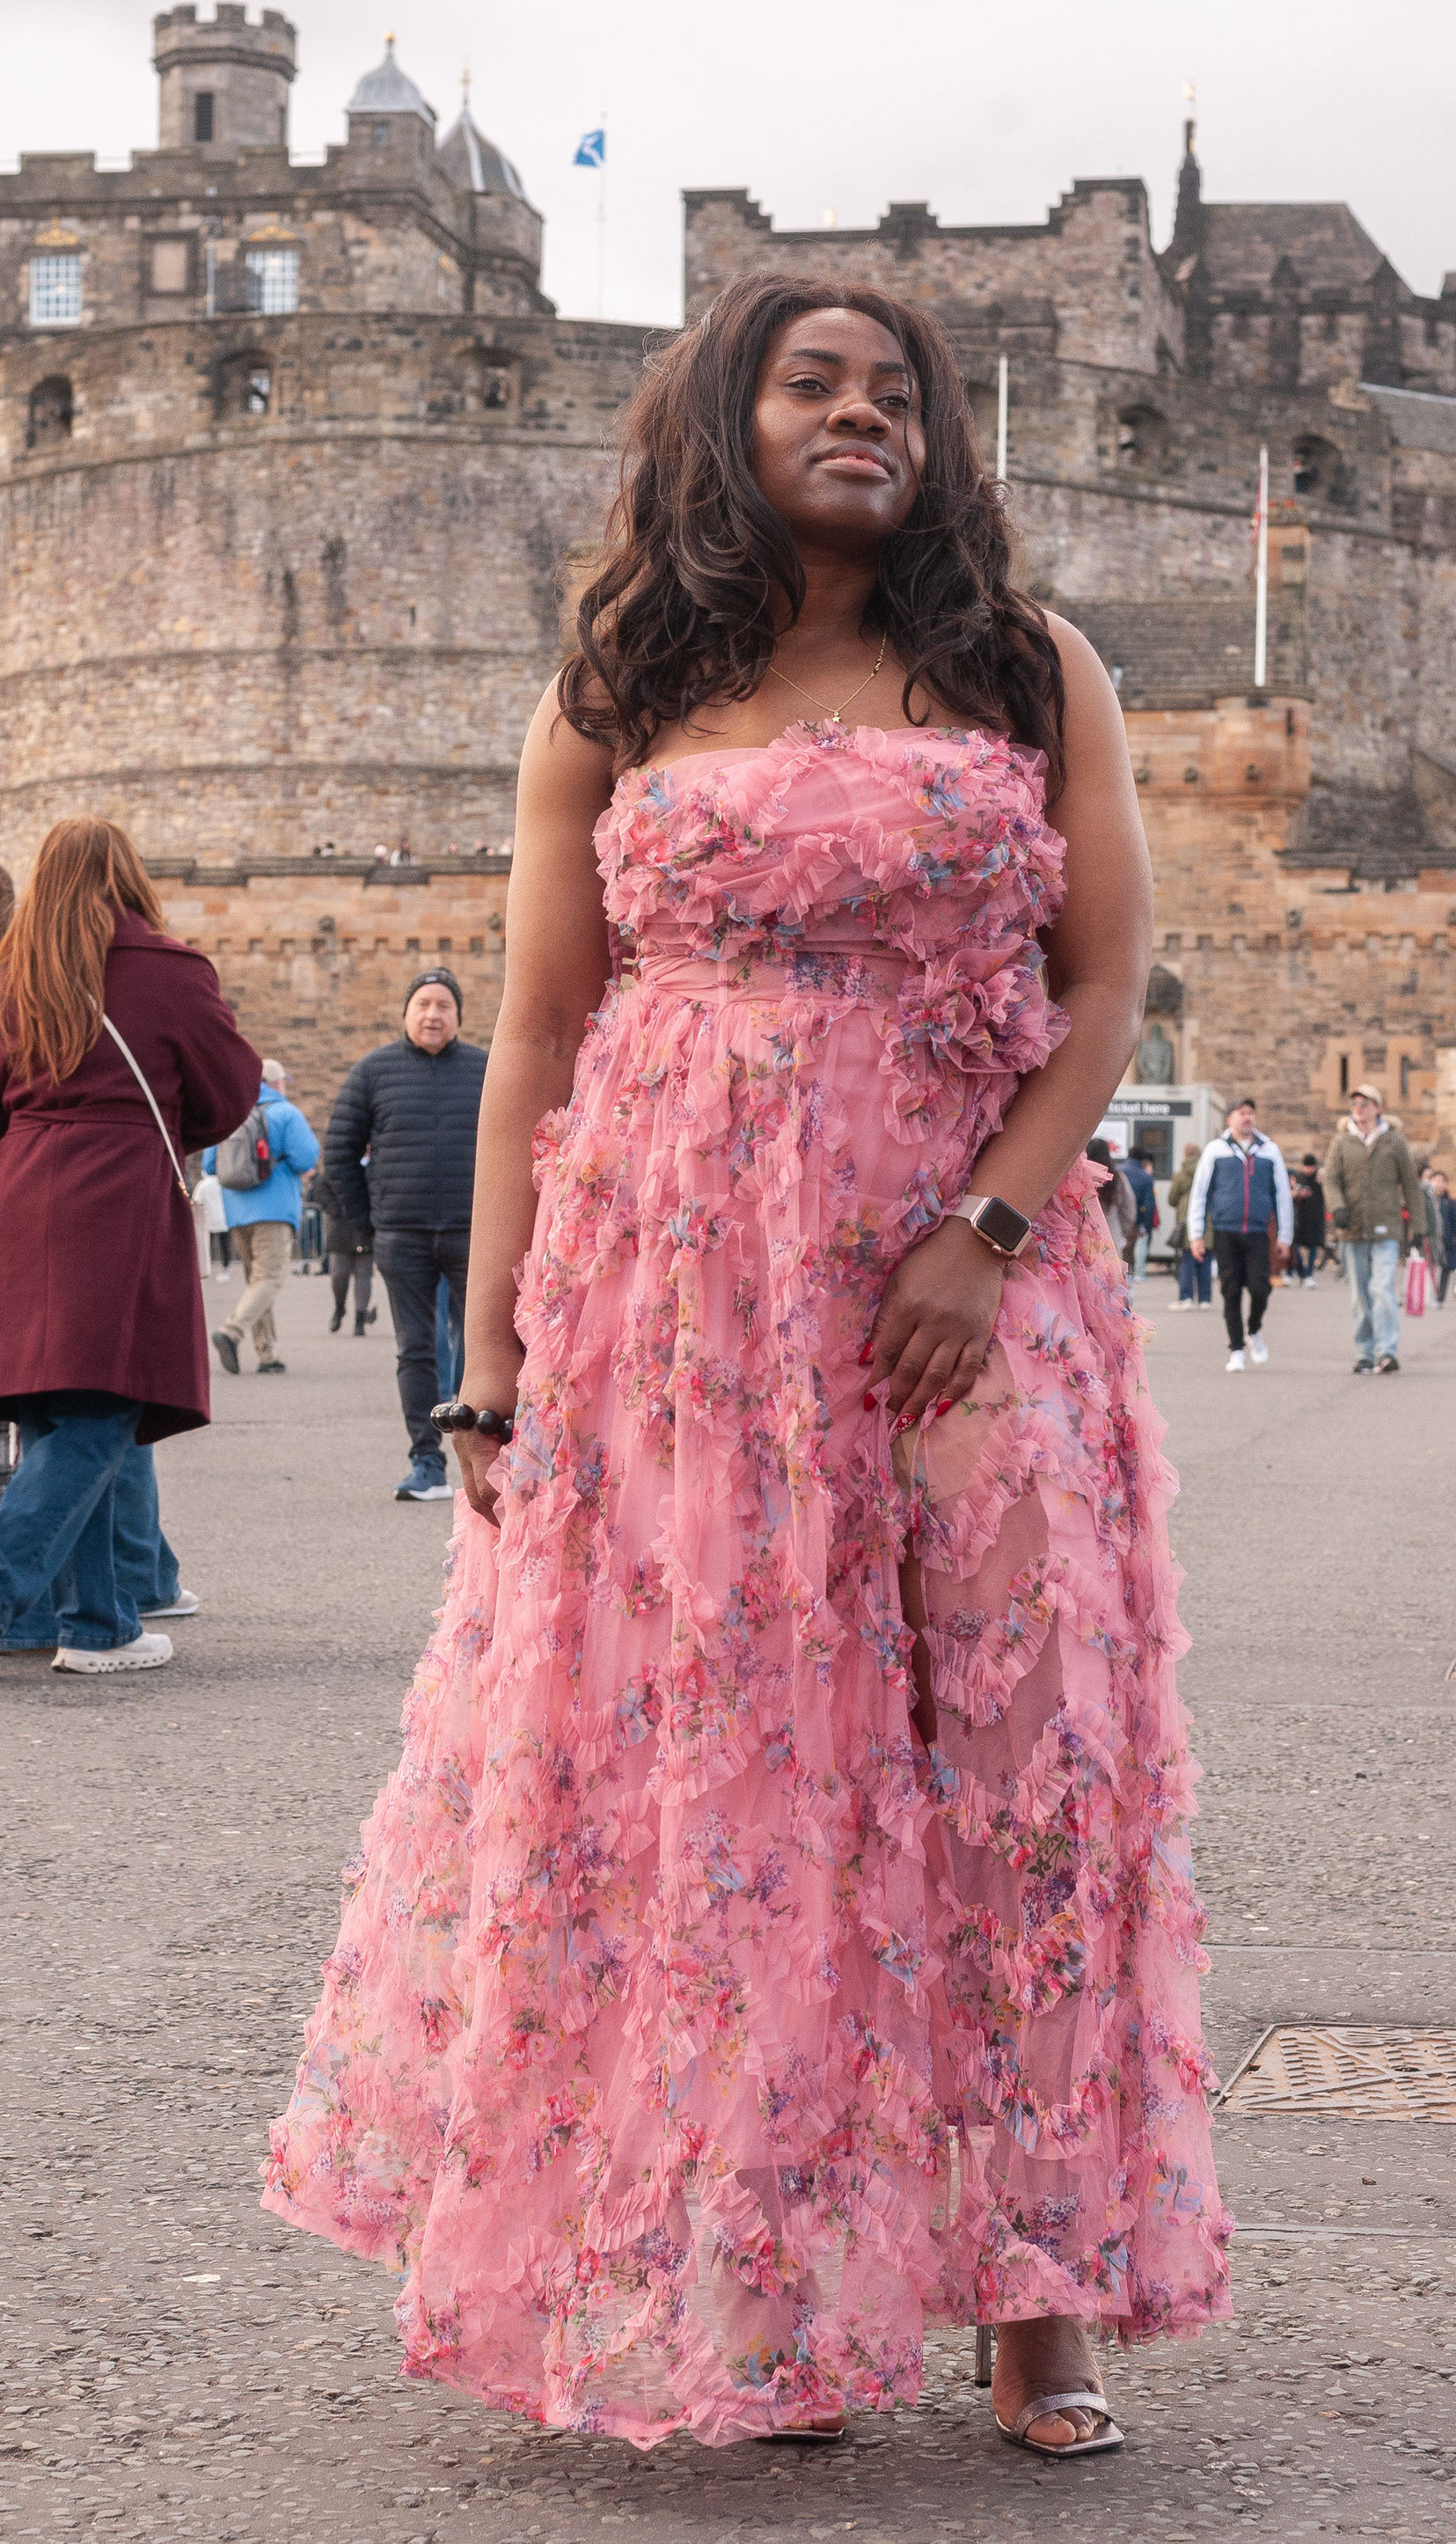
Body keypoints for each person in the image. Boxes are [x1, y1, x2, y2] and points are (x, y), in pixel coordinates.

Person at [265, 276, 1229, 2456]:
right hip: (680, 1309)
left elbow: (1104, 989)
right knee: (727, 1783)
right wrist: (491, 1359)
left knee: (1022, 1760)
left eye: (898, 394)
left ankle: (1040, 2290)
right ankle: (770, 2278)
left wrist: (986, 1234)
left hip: (972, 1290)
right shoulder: (617, 684)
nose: (862, 415)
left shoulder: (1028, 666)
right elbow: (538, 1030)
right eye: (813, 383)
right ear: (728, 415)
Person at [0, 818, 259, 1671]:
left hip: (21, 1188)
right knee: (106, 1405)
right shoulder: (168, 968)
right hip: (114, 1197)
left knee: (54, 1408)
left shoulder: (13, 970)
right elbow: (230, 1086)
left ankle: (97, 1622)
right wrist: (163, 1127)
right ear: (126, 875)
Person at [321, 968, 487, 1501]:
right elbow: (338, 1153)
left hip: (474, 1234)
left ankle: (484, 1462)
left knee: (483, 1347)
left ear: (458, 1016)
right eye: (423, 1004)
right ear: (406, 1012)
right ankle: (427, 1462)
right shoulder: (373, 1071)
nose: (433, 1014)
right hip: (401, 1236)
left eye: (444, 1005)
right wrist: (369, 1223)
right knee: (416, 1349)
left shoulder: (486, 1069)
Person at [205, 1059, 318, 1376]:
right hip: (275, 1209)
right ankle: (230, 1332)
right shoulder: (285, 1113)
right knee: (269, 1279)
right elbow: (306, 1157)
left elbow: (210, 1164)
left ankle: (267, 1354)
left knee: (256, 1283)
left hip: (237, 1211)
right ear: (275, 1083)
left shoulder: (233, 1114)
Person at [1321, 1083, 1426, 1373]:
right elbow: (1330, 1180)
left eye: (1364, 1103)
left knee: (1382, 1289)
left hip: (1386, 1227)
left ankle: (1386, 1352)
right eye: (1355, 1103)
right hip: (1351, 1228)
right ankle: (1364, 1353)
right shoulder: (1342, 1141)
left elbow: (1411, 1185)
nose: (1358, 1108)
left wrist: (1418, 1227)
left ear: (1378, 1108)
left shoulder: (1394, 1142)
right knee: (1360, 1295)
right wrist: (1337, 1208)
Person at [1187, 1097, 1293, 1372]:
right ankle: (1236, 1350)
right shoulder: (1215, 1150)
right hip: (1226, 1230)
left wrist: (1285, 1236)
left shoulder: (1269, 1150)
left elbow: (1282, 1195)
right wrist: (1196, 1234)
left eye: (1250, 1113)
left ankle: (1254, 1329)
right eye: (1241, 1113)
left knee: (1261, 1287)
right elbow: (1199, 1193)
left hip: (1258, 1231)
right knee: (1231, 1290)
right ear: (1229, 1119)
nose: (1247, 1118)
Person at [307, 1162, 377, 1335]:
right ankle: (340, 1308)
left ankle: (360, 1319)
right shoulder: (338, 1162)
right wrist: (334, 1209)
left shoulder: (375, 1165)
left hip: (365, 1227)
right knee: (339, 1275)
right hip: (340, 1228)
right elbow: (321, 1189)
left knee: (363, 1276)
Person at [1167, 1139, 1211, 1309]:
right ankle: (1205, 1299)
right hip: (1206, 1219)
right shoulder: (1208, 1173)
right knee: (1205, 1261)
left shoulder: (1180, 1175)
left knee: (1187, 1261)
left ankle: (1186, 1298)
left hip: (1186, 1221)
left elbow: (1172, 1199)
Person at [1084, 1135, 1135, 1260]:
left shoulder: (1081, 1178)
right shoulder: (1117, 1178)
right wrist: (1122, 1230)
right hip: (1111, 1234)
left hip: (1084, 1238)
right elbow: (1129, 1208)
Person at [1121, 1145, 1158, 1279]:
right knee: (1129, 1253)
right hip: (1134, 1221)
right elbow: (1149, 1205)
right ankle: (1127, 1279)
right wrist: (1147, 1226)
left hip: (1116, 1220)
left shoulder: (1118, 1171)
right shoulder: (1146, 1178)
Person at [1428, 1169, 1456, 1306]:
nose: (1440, 1184)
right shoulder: (1428, 1201)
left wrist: (1455, 1237)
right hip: (1431, 1240)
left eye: (1442, 1181)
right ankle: (1431, 1295)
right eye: (1437, 1181)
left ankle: (1440, 1295)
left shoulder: (1450, 1202)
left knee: (1445, 1268)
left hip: (1447, 1242)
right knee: (1432, 1268)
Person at [1290, 1152, 1325, 1286]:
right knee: (1295, 1247)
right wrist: (1297, 1193)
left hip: (1315, 1217)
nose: (1309, 1169)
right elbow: (1292, 1193)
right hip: (1300, 1217)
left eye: (1311, 1167)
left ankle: (1309, 1274)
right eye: (1306, 1166)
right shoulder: (1298, 1177)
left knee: (1313, 1247)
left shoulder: (1319, 1178)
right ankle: (1302, 1273)